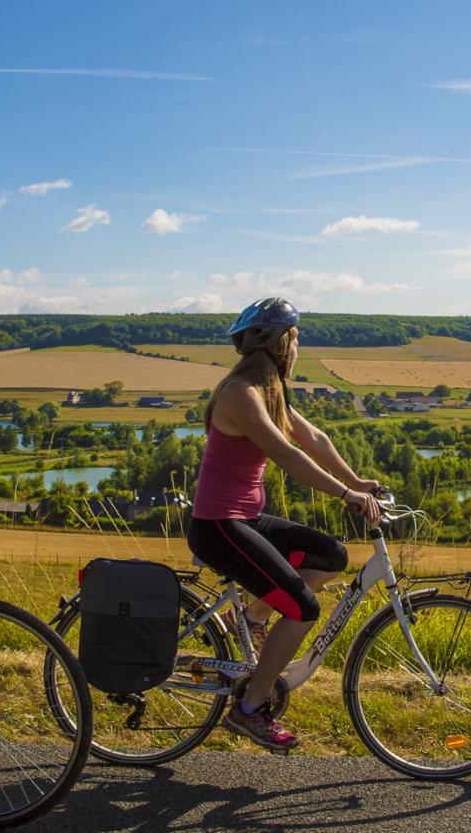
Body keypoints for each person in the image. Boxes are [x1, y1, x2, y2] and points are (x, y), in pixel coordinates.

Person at [185, 297, 384, 753]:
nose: (299, 348)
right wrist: (345, 495)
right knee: (302, 608)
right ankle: (250, 708)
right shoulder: (241, 392)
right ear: (280, 343)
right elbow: (286, 453)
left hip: (246, 518)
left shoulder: (271, 390)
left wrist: (357, 481)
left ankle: (253, 617)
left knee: (331, 555)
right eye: (296, 339)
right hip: (219, 525)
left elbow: (313, 438)